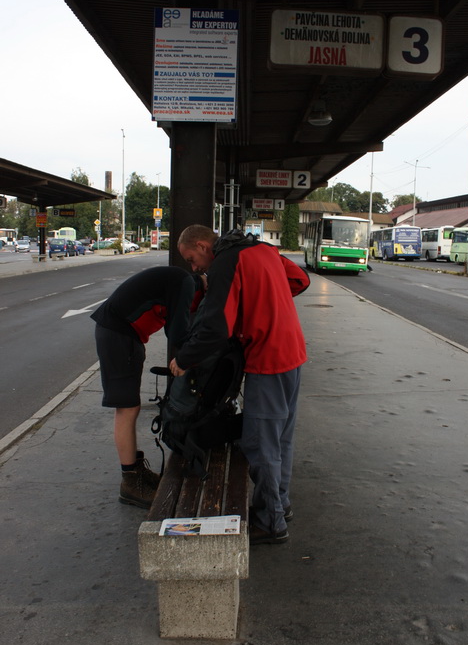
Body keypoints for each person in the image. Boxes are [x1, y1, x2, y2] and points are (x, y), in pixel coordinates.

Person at [170, 226, 310, 545]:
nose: (194, 268)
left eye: (192, 259)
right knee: (281, 439)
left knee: (259, 443)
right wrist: (267, 301)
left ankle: (270, 522)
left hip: (268, 358)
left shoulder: (225, 262)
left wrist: (185, 358)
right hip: (294, 351)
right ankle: (280, 505)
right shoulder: (262, 249)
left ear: (205, 246)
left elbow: (217, 327)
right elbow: (300, 280)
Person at [92, 266, 198, 509]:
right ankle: (130, 481)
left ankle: (135, 471)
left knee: (130, 407)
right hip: (119, 335)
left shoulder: (180, 279)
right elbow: (177, 331)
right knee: (127, 409)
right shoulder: (186, 284)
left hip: (122, 334)